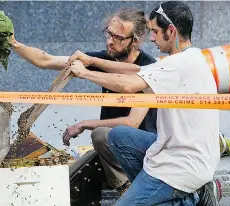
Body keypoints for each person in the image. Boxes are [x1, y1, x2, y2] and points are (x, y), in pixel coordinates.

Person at [67, 1, 222, 205]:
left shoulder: (175, 65)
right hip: (181, 150)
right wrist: (93, 61)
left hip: (181, 166)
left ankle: (192, 197)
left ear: (171, 31)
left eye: (155, 31)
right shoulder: (191, 57)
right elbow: (137, 72)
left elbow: (128, 84)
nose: (151, 37)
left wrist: (86, 73)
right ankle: (151, 192)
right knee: (117, 136)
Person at [10, 8, 158, 193]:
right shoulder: (102, 60)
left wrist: (85, 124)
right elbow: (46, 60)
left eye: (118, 38)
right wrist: (14, 43)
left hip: (140, 153)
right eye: (109, 33)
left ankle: (127, 189)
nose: (109, 41)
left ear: (135, 41)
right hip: (111, 151)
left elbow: (132, 122)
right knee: (66, 183)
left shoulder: (147, 68)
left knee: (100, 134)